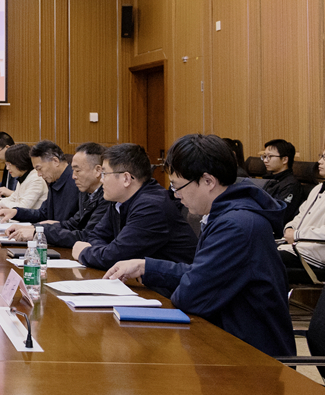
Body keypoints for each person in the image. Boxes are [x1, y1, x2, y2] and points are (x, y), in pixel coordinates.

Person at [105, 134, 294, 357]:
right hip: (227, 341)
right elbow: (204, 274)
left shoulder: (236, 226)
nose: (176, 196)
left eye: (178, 186)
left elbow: (189, 296)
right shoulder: (227, 214)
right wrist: (146, 266)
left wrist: (168, 276)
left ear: (208, 181)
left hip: (251, 356)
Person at [72, 143, 197, 270]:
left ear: (126, 179)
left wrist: (85, 252)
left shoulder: (151, 207)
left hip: (173, 281)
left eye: (105, 174)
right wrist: (102, 251)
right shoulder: (119, 201)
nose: (101, 180)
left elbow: (114, 257)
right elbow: (95, 236)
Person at [6, 142, 109, 247]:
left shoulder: (100, 194)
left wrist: (39, 232)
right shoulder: (85, 190)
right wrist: (36, 228)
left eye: (77, 170)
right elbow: (71, 224)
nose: (74, 176)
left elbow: (86, 236)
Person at [0, 140, 80, 225]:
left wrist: (44, 228)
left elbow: (74, 226)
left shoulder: (76, 182)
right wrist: (16, 212)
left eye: (39, 168)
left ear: (55, 161)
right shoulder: (55, 180)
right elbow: (43, 213)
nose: (39, 174)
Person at [279, 141, 325, 283]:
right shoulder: (317, 188)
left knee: (263, 259)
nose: (319, 162)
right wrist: (290, 228)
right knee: (253, 251)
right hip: (297, 247)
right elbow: (300, 215)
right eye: (321, 156)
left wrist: (297, 235)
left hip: (316, 256)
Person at [0, 143, 47, 210]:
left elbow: (22, 207)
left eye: (9, 164)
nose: (7, 168)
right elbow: (12, 198)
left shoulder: (36, 179)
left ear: (19, 162)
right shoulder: (24, 177)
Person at [261, 138, 305, 224]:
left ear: (285, 160)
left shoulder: (291, 185)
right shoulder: (271, 179)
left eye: (270, 156)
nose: (265, 160)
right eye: (264, 156)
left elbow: (280, 214)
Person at [0, 132, 18, 196]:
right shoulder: (8, 164)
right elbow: (6, 185)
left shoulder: (19, 165)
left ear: (7, 148)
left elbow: (19, 193)